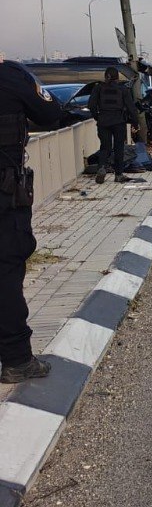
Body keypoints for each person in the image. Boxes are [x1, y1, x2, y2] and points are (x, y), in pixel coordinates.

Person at [0, 55, 71, 383]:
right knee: (6, 271)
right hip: (4, 195)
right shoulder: (10, 74)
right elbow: (51, 113)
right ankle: (17, 360)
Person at [89, 67, 136, 183]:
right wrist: (135, 123)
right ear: (118, 77)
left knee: (105, 147)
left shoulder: (98, 88)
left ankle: (101, 168)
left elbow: (91, 105)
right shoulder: (123, 89)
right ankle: (118, 174)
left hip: (103, 121)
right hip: (119, 121)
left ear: (106, 76)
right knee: (119, 148)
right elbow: (131, 107)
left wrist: (97, 117)